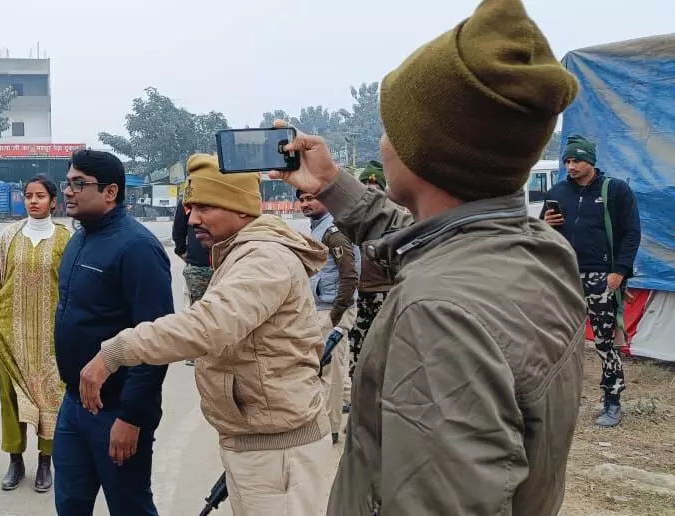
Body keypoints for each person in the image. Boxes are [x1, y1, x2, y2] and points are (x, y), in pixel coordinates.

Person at [270, 0, 586, 513]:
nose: (383, 142)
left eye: (393, 128)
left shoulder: (438, 314)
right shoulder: (534, 246)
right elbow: (427, 242)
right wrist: (331, 184)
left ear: (426, 153)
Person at [79, 154, 332, 515]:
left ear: (241, 209)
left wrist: (117, 351)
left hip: (278, 451)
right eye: (190, 207)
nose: (192, 218)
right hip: (258, 441)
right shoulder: (239, 252)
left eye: (205, 207)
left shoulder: (263, 259)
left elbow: (207, 325)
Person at [52, 149, 172, 515]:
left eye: (79, 183)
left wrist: (131, 416)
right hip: (75, 404)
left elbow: (157, 340)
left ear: (110, 192)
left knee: (129, 506)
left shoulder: (137, 248)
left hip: (118, 409)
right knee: (71, 504)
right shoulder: (79, 239)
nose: (68, 192)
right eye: (67, 183)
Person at [0, 175, 72, 493]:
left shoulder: (65, 238)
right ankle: (15, 460)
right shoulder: (9, 235)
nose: (33, 201)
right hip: (11, 333)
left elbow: (73, 283)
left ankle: (45, 462)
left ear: (53, 201)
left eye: (40, 196)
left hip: (50, 338)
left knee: (50, 397)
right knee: (11, 398)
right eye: (28, 195)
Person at [544, 134, 641, 427]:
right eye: (567, 161)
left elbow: (631, 233)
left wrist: (619, 272)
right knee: (557, 341)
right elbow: (543, 235)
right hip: (565, 276)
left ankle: (612, 401)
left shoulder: (616, 190)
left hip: (602, 277)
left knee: (604, 341)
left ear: (591, 162)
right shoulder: (559, 191)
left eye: (577, 161)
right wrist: (543, 224)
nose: (570, 166)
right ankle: (555, 400)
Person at [298, 188, 358, 444]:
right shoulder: (318, 229)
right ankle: (362, 410)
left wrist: (335, 316)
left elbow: (350, 276)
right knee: (328, 369)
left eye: (310, 198)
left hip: (332, 309)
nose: (305, 204)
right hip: (322, 308)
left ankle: (331, 428)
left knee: (331, 373)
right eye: (301, 199)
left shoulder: (334, 233)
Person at [346, 161, 396, 382]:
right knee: (356, 346)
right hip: (358, 295)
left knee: (385, 347)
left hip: (385, 294)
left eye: (375, 187)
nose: (370, 189)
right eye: (365, 184)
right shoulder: (351, 219)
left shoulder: (393, 220)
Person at [171, 182, 212, 367]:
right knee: (203, 311)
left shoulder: (187, 202)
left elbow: (177, 233)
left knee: (201, 310)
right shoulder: (187, 203)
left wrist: (183, 252)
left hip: (209, 265)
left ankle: (200, 353)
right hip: (201, 266)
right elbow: (178, 233)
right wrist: (184, 253)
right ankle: (199, 352)